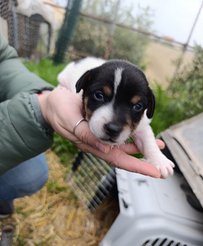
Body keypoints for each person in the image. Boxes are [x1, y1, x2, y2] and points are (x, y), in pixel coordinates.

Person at [0, 33, 164, 217]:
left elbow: (4, 60)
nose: (113, 124)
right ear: (83, 86)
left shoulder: (143, 118)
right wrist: (46, 104)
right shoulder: (80, 79)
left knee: (32, 176)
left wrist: (154, 154)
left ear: (148, 107)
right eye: (99, 96)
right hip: (72, 75)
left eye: (137, 106)